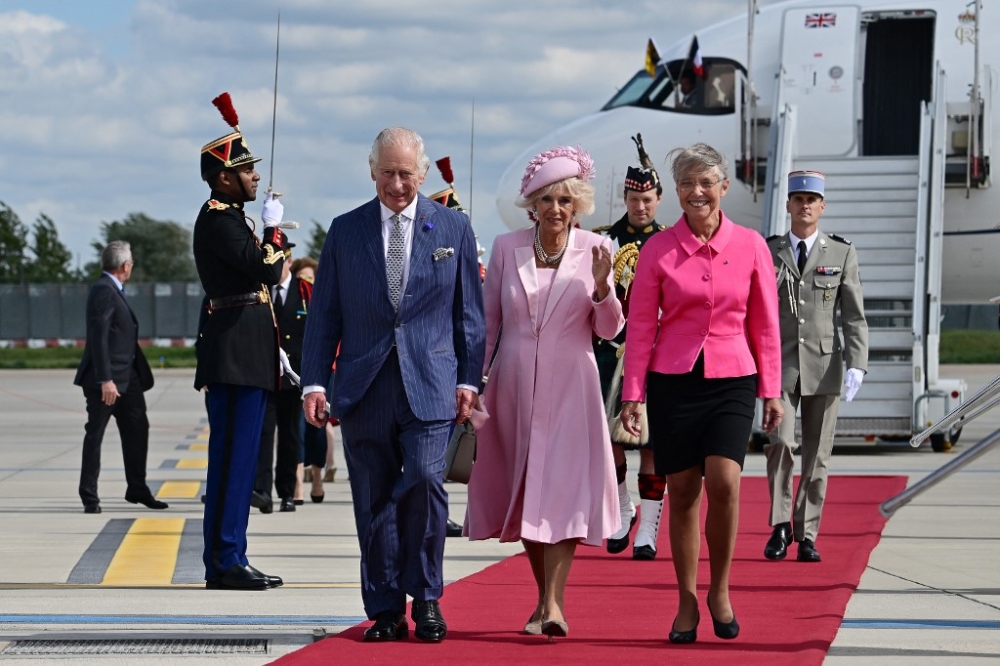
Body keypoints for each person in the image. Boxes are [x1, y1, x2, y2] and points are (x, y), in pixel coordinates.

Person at [300, 127, 485, 643]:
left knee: (426, 482)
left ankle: (425, 597)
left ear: (422, 174)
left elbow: (469, 315)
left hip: (431, 383)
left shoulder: (453, 227)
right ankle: (384, 607)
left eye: (407, 173)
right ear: (372, 171)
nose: (398, 184)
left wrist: (470, 378)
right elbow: (324, 315)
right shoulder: (345, 230)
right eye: (388, 173)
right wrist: (314, 381)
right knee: (373, 498)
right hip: (364, 384)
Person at [620, 143, 783, 643]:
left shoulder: (753, 244)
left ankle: (722, 589)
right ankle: (687, 598)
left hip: (734, 376)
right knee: (685, 491)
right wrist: (633, 394)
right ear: (677, 191)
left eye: (706, 182)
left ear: (724, 187)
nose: (696, 192)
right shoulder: (658, 250)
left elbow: (766, 323)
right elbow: (642, 324)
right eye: (687, 183)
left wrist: (772, 391)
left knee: (725, 481)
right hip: (674, 380)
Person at [466, 145, 624, 640]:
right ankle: (544, 598)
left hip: (573, 387)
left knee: (563, 493)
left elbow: (610, 330)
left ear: (578, 204)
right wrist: (473, 383)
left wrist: (603, 289)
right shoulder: (505, 246)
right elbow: (489, 324)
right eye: (547, 200)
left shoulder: (599, 249)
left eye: (565, 200)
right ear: (531, 204)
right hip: (513, 386)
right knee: (526, 492)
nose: (556, 208)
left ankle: (553, 603)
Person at [194, 92, 287, 591]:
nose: (254, 177)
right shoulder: (218, 219)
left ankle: (230, 557)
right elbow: (263, 271)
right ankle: (227, 560)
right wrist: (273, 231)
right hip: (235, 353)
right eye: (247, 171)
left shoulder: (230, 219)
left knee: (239, 459)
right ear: (224, 176)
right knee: (234, 460)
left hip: (243, 352)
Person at [763, 171, 869, 563]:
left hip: (825, 365)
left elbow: (854, 316)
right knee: (779, 445)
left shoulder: (841, 252)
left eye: (812, 199)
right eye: (798, 198)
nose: (805, 205)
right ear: (788, 205)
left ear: (822, 207)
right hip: (780, 365)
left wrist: (858, 362)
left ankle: (807, 532)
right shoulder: (768, 250)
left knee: (817, 454)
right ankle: (779, 526)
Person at [593, 134, 668, 559]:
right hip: (611, 353)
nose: (640, 207)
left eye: (648, 200)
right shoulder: (605, 241)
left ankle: (650, 529)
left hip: (657, 355)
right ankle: (622, 512)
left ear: (658, 199)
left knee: (652, 446)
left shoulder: (669, 242)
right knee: (613, 442)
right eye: (634, 199)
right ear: (625, 197)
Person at [75, 240, 165, 514]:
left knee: (138, 430)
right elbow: (98, 337)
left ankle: (136, 487)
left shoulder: (114, 290)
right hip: (109, 381)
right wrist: (105, 379)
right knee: (96, 434)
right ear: (125, 266)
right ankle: (89, 495)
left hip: (129, 379)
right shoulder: (103, 290)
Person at [251, 243, 310, 514]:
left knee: (289, 437)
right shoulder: (258, 288)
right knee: (263, 434)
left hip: (295, 377)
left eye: (279, 262)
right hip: (264, 375)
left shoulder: (306, 291)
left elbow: (317, 335)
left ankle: (286, 492)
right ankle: (262, 490)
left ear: (289, 261)